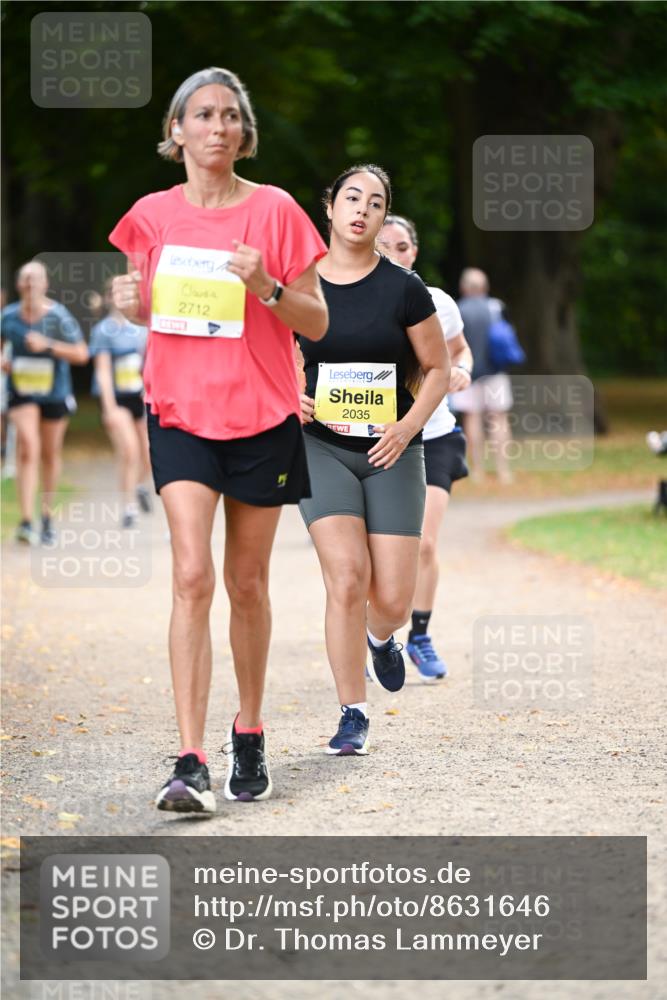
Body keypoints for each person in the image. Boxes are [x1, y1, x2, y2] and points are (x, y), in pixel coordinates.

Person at [109, 67, 328, 814]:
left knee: (247, 583)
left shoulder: (275, 210)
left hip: (262, 415)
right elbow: (157, 312)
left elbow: (316, 320)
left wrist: (267, 286)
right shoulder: (150, 217)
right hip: (179, 412)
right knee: (191, 575)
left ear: (244, 131)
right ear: (176, 130)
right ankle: (189, 758)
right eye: (202, 115)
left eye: (230, 115)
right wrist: (131, 306)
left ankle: (249, 730)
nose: (217, 126)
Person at [297, 165, 450, 756]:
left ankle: (380, 636)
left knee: (391, 601)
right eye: (352, 198)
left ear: (384, 217)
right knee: (345, 576)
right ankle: (352, 712)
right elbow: (270, 351)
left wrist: (408, 427)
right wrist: (287, 392)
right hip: (320, 446)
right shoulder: (299, 281)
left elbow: (436, 368)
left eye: (376, 202)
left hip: (392, 449)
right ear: (330, 207)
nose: (362, 209)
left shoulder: (404, 288)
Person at [377, 215, 472, 679]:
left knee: (424, 543)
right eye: (383, 246)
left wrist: (463, 370)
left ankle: (419, 636)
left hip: (433, 437)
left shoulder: (438, 303)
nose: (393, 254)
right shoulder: (353, 300)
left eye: (401, 246)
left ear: (413, 252)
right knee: (375, 552)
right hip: (376, 440)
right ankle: (376, 635)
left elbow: (460, 349)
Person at [1, 261, 88, 545]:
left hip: (54, 392)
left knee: (49, 455)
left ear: (45, 284)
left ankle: (47, 517)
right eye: (25, 279)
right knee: (28, 446)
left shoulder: (59, 316)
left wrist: (47, 345)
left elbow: (81, 354)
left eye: (35, 278)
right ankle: (26, 521)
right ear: (19, 284)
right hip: (21, 390)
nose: (30, 284)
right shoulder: (8, 316)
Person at [89, 280, 152, 528]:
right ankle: (129, 507)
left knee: (148, 455)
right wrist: (110, 408)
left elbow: (149, 364)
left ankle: (138, 486)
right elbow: (103, 372)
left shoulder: (142, 328)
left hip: (140, 398)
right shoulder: (104, 331)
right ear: (109, 299)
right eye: (114, 294)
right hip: (117, 399)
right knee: (129, 451)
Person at [448, 267, 515, 483]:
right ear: (485, 287)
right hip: (496, 372)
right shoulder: (496, 307)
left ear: (463, 287)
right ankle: (503, 471)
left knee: (472, 418)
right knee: (499, 418)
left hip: (467, 373)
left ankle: (477, 471)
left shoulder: (457, 310)